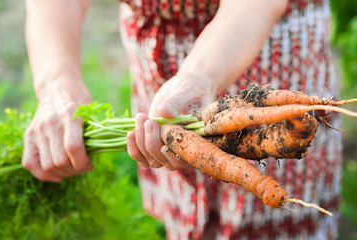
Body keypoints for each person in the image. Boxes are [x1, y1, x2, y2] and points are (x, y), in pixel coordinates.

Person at [23, 0, 342, 239]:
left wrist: (199, 77)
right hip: (160, 78)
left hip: (261, 43)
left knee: (283, 204)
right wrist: (56, 83)